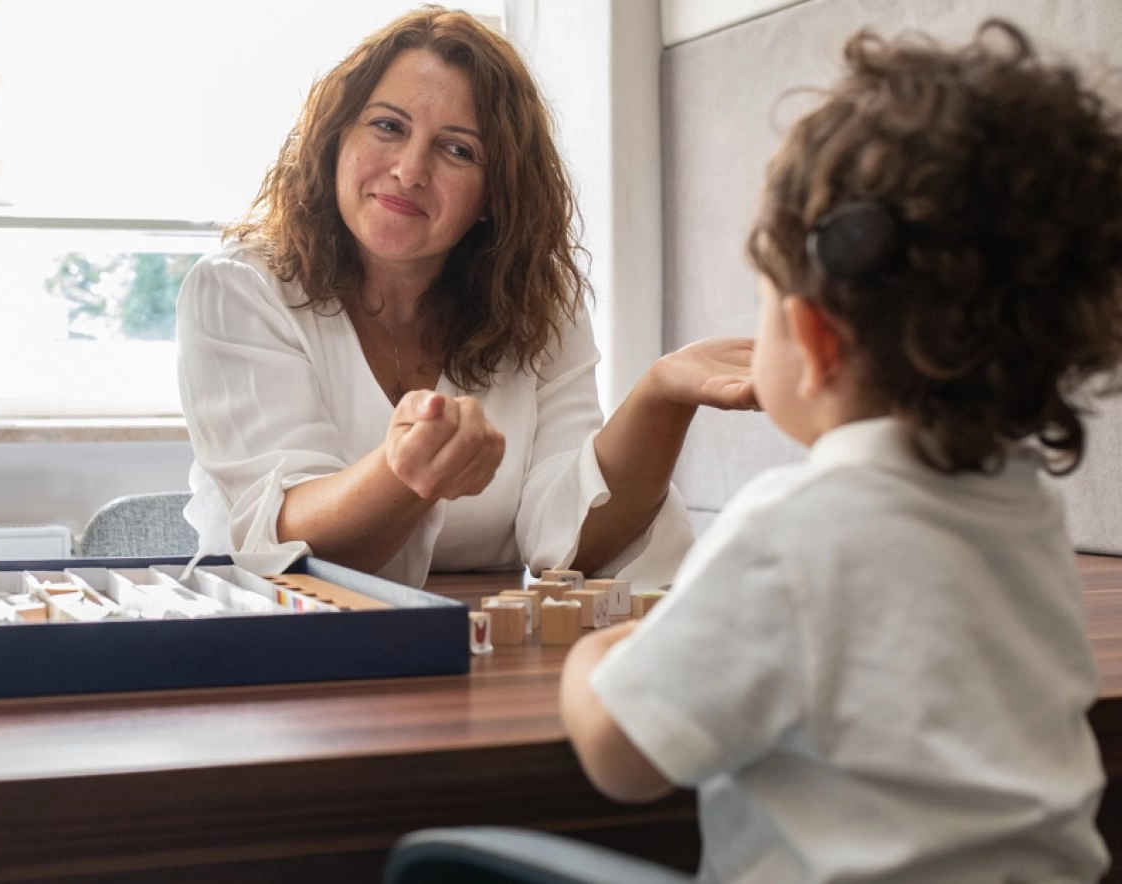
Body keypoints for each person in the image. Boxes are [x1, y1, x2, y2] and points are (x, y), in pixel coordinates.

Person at [561, 19, 1122, 884]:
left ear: (813, 339)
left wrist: (597, 653)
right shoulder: (1024, 513)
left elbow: (625, 757)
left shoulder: (791, 526)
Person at [176, 8, 754, 588]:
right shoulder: (239, 289)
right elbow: (282, 533)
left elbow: (568, 541)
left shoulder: (538, 307)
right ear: (334, 140)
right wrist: (404, 475)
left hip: (483, 658)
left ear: (493, 195)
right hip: (280, 649)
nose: (408, 170)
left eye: (456, 150)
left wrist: (660, 398)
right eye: (387, 126)